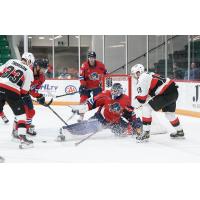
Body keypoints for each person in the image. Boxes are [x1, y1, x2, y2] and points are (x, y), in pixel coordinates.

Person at [131, 64, 185, 142]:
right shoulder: (148, 74)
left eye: (134, 73)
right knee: (169, 114)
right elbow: (150, 93)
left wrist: (134, 104)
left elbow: (142, 99)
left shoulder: (142, 79)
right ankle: (180, 131)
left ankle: (146, 133)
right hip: (173, 92)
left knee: (146, 107)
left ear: (139, 72)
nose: (134, 76)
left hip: (166, 93)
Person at [73, 83, 142, 136]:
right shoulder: (105, 94)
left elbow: (130, 113)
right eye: (112, 90)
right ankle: (71, 131)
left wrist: (135, 124)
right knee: (88, 126)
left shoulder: (125, 99)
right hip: (101, 118)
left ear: (120, 91)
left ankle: (140, 127)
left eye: (115, 91)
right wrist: (80, 109)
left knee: (124, 132)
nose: (113, 92)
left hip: (114, 122)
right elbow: (93, 103)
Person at [0, 52, 34, 147]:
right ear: (29, 61)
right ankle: (23, 139)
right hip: (12, 91)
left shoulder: (11, 61)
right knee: (21, 115)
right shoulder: (29, 71)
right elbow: (24, 91)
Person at [19, 59, 48, 136]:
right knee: (22, 113)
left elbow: (33, 90)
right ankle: (16, 131)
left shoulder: (42, 78)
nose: (43, 71)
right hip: (19, 93)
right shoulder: (27, 72)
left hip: (26, 94)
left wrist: (40, 96)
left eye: (45, 70)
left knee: (31, 112)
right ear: (37, 67)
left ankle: (27, 128)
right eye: (42, 69)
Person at [78, 51, 108, 121]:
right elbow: (81, 77)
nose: (91, 59)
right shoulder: (84, 65)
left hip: (97, 87)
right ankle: (81, 116)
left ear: (95, 58)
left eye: (93, 58)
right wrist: (82, 85)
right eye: (90, 58)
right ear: (88, 58)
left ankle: (100, 114)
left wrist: (103, 83)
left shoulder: (101, 65)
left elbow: (106, 75)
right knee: (83, 99)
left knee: (100, 100)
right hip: (86, 86)